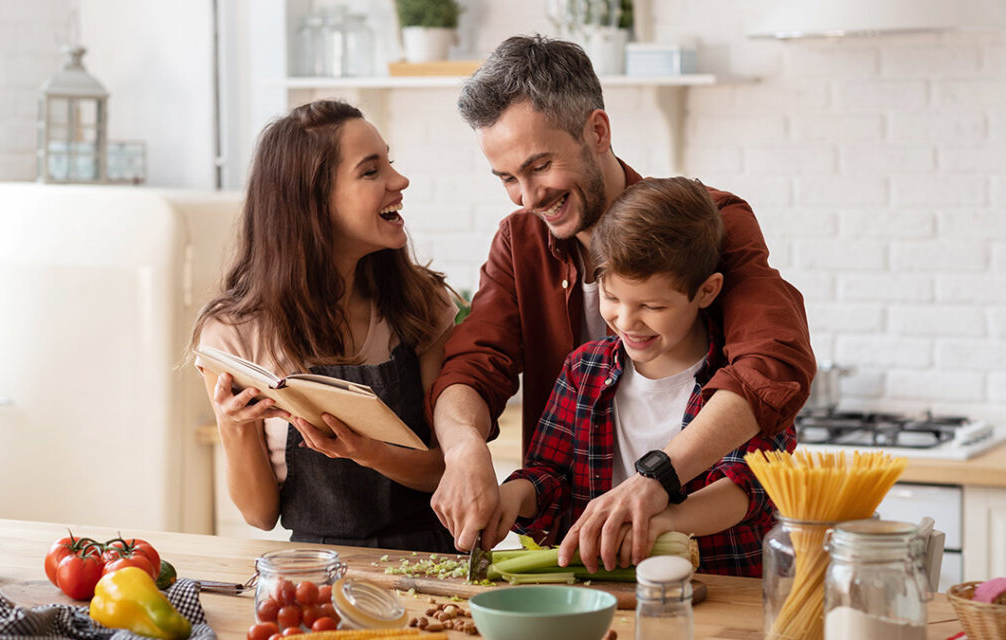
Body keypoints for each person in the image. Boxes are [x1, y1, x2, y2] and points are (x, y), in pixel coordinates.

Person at [425, 35, 815, 569]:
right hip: (583, 569)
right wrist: (465, 448)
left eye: (539, 166)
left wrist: (657, 481)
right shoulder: (520, 242)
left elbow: (772, 361)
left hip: (715, 566)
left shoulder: (709, 222)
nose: (528, 197)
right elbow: (473, 367)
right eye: (508, 178)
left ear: (598, 131)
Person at [191, 99, 457, 552]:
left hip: (427, 561)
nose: (400, 181)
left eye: (389, 162)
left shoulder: (421, 305)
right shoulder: (232, 336)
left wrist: (367, 452)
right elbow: (260, 514)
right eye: (371, 171)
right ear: (312, 201)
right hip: (314, 571)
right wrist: (233, 425)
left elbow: (448, 471)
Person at [497, 177, 794, 577]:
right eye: (612, 296)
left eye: (652, 305)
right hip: (611, 594)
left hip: (723, 590)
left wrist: (664, 522)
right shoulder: (583, 370)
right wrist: (511, 497)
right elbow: (550, 477)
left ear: (706, 292)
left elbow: (750, 486)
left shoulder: (741, 381)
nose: (626, 320)